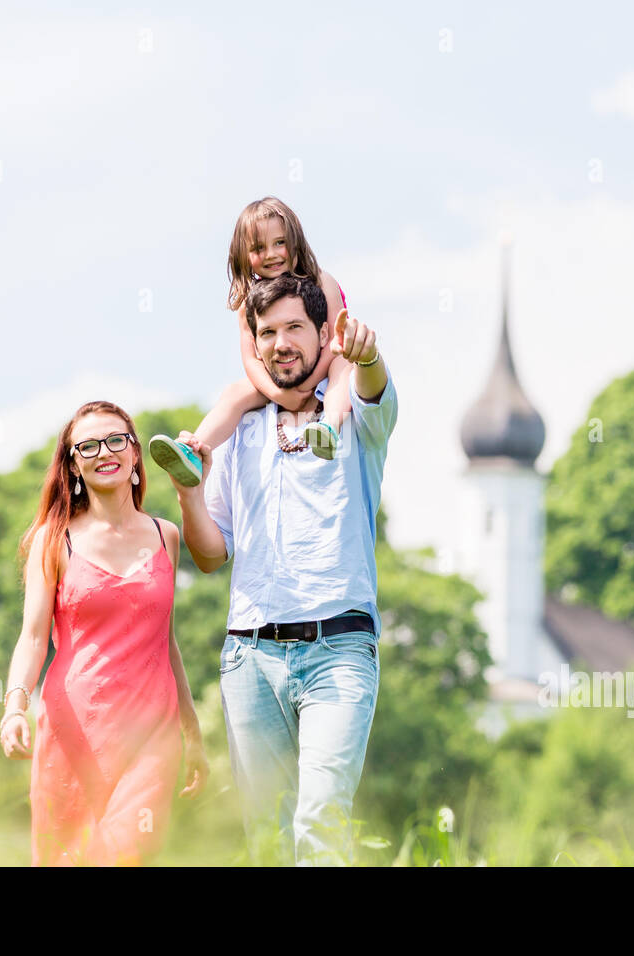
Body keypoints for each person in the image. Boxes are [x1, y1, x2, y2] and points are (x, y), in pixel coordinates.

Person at [166, 272, 397, 865]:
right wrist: (188, 495)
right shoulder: (239, 427)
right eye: (267, 332)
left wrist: (366, 355)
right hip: (250, 656)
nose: (281, 342)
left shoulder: (352, 418)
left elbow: (373, 385)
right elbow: (213, 555)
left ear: (325, 334)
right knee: (265, 839)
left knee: (319, 821)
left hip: (338, 650)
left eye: (295, 327)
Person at [0, 401, 208, 866]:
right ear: (73, 463)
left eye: (116, 440)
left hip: (152, 731)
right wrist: (14, 706)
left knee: (126, 854)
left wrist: (191, 729)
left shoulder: (166, 535)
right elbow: (33, 637)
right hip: (74, 729)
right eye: (88, 445)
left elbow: (165, 640)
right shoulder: (53, 540)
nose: (104, 452)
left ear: (135, 454)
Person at [148, 196, 354, 483]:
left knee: (345, 364)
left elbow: (334, 341)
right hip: (279, 376)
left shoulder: (321, 280)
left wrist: (307, 385)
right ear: (243, 255)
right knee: (234, 392)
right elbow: (251, 360)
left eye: (279, 243)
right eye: (258, 248)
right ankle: (193, 450)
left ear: (296, 242)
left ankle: (329, 427)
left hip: (320, 365)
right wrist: (280, 394)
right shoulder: (249, 302)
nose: (271, 254)